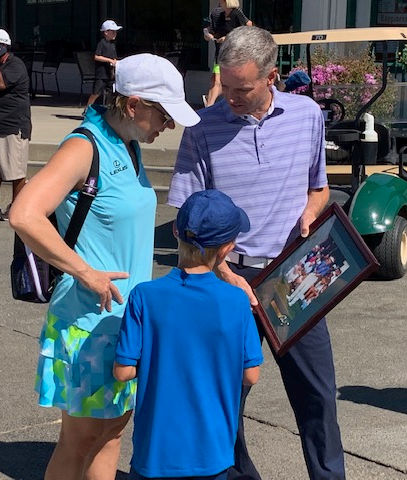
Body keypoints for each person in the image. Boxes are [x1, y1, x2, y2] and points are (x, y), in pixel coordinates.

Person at [9, 53, 199, 480]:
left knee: (112, 432)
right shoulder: (84, 145)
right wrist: (85, 271)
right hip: (87, 322)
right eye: (164, 114)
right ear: (133, 105)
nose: (168, 126)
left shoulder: (128, 143)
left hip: (124, 322)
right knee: (79, 442)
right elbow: (24, 214)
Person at [168, 26, 346, 480]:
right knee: (224, 398)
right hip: (230, 282)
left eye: (241, 89)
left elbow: (319, 188)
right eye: (225, 87)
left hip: (294, 277)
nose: (230, 97)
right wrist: (226, 274)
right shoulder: (202, 128)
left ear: (272, 76)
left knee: (317, 396)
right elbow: (185, 221)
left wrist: (310, 214)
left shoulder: (307, 115)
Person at [114, 189, 263, 480]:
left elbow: (123, 371)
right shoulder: (236, 301)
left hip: (154, 452)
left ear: (175, 231)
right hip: (214, 453)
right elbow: (251, 375)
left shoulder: (144, 296)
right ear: (227, 249)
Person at [0, 29, 31, 221]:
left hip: (14, 126)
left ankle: (17, 210)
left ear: (5, 46)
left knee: (16, 172)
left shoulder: (15, 65)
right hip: (1, 125)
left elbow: (1, 84)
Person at [203, 0, 252, 107]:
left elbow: (248, 27)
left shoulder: (236, 12)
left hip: (235, 54)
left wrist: (228, 38)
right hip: (220, 54)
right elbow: (208, 31)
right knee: (217, 79)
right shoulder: (216, 13)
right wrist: (207, 35)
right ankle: (209, 107)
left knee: (229, 82)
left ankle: (212, 100)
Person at [85, 19, 122, 110]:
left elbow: (114, 58)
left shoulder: (113, 44)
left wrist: (115, 62)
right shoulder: (102, 43)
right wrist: (109, 60)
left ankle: (109, 111)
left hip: (110, 74)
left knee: (111, 93)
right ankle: (87, 109)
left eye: (115, 32)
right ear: (106, 32)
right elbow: (97, 56)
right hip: (101, 74)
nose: (115, 33)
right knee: (96, 93)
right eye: (112, 31)